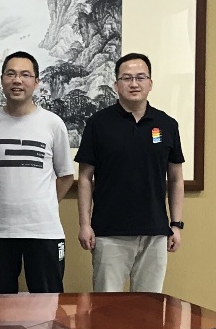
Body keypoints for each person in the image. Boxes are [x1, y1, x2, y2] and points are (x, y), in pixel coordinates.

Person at [75, 52, 185, 293]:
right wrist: (85, 224)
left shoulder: (167, 124)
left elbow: (176, 178)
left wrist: (176, 224)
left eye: (140, 77)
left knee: (149, 306)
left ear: (150, 83)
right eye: (127, 78)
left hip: (155, 232)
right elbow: (84, 178)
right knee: (106, 306)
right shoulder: (98, 123)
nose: (134, 84)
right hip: (109, 232)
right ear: (116, 84)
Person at [0, 51, 75, 294]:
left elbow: (66, 176)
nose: (17, 80)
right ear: (2, 79)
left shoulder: (53, 123)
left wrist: (43, 203)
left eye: (25, 75)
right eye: (11, 74)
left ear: (36, 82)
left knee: (48, 304)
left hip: (44, 230)